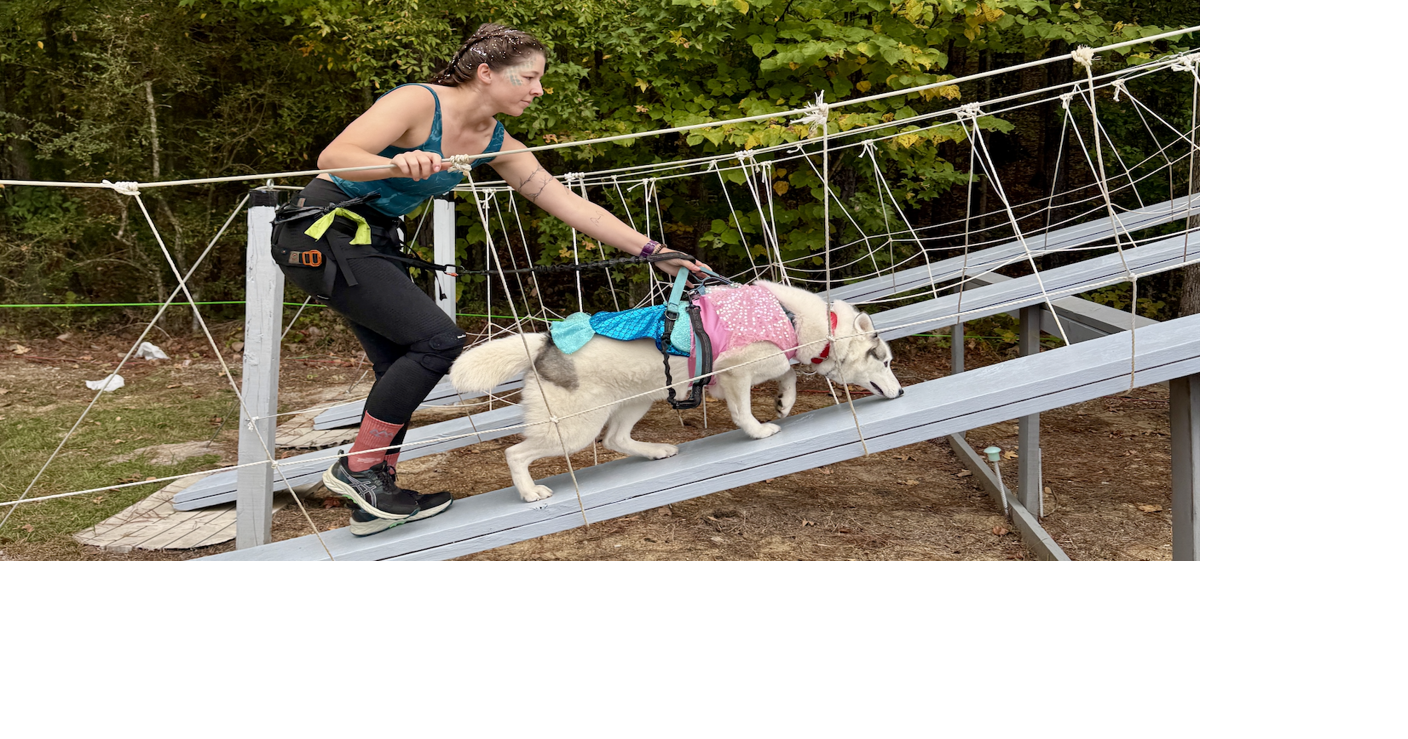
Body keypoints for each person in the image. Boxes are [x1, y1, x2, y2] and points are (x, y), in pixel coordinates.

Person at [271, 23, 707, 528]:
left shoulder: (497, 142)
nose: (540, 89)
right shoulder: (418, 102)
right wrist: (397, 165)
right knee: (437, 342)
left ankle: (373, 497)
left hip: (376, 238)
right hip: (326, 231)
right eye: (529, 77)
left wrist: (652, 250)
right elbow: (334, 157)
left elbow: (566, 202)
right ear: (485, 73)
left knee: (399, 366)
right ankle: (360, 469)